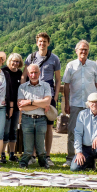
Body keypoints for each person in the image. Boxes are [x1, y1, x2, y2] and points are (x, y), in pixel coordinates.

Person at [62, 40, 97, 167]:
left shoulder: (93, 65)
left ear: (88, 51)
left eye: (86, 49)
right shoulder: (70, 65)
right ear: (76, 51)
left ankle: (91, 159)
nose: (83, 51)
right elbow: (66, 86)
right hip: (75, 103)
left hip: (91, 105)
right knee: (73, 131)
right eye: (81, 49)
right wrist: (66, 103)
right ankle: (70, 157)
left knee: (92, 132)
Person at [24, 32, 62, 166]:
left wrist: (55, 96)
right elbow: (24, 75)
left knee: (48, 126)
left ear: (48, 43)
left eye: (44, 41)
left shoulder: (54, 59)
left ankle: (47, 155)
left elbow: (58, 79)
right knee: (34, 125)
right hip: (33, 94)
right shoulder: (31, 57)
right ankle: (33, 155)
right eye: (40, 41)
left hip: (48, 94)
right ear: (37, 43)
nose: (42, 44)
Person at [17, 64, 52, 168]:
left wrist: (29, 102)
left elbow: (47, 102)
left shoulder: (46, 86)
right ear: (28, 74)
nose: (33, 75)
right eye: (31, 73)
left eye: (36, 72)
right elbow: (21, 107)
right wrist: (39, 104)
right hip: (27, 118)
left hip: (41, 119)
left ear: (39, 73)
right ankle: (24, 162)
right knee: (28, 146)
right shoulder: (22, 87)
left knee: (41, 145)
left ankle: (42, 161)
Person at [1, 53, 24, 164]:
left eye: (17, 61)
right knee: (5, 130)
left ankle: (11, 153)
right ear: (9, 61)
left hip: (16, 106)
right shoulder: (3, 71)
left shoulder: (20, 74)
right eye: (13, 61)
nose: (15, 63)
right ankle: (2, 153)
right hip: (5, 105)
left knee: (13, 130)